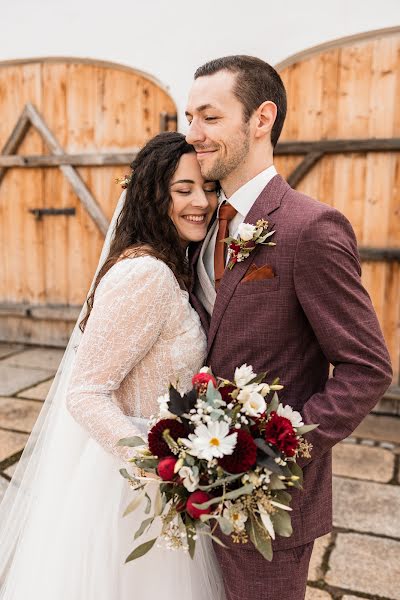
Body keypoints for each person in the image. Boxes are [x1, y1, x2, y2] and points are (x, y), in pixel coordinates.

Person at [185, 55, 393, 600]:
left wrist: (275, 451)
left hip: (271, 507)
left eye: (209, 117)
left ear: (261, 118)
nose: (192, 134)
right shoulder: (201, 225)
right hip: (193, 487)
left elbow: (366, 368)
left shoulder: (310, 228)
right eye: (188, 117)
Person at [0, 132, 226, 600]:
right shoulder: (144, 274)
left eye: (207, 189)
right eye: (184, 190)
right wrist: (157, 466)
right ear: (153, 194)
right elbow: (85, 392)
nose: (200, 202)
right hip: (131, 488)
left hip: (160, 476)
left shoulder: (170, 266)